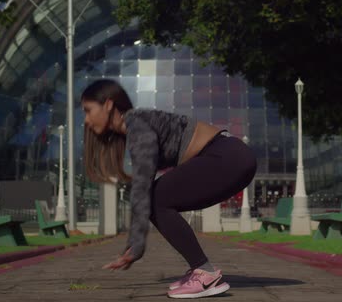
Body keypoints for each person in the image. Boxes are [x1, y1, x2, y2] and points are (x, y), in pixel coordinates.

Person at [81, 79, 257, 299]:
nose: (86, 120)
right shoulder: (135, 125)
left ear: (108, 104)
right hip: (231, 157)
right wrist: (133, 246)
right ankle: (199, 270)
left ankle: (205, 274)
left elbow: (142, 187)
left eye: (88, 111)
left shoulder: (137, 125)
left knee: (155, 197)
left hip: (227, 157)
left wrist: (135, 247)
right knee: (159, 196)